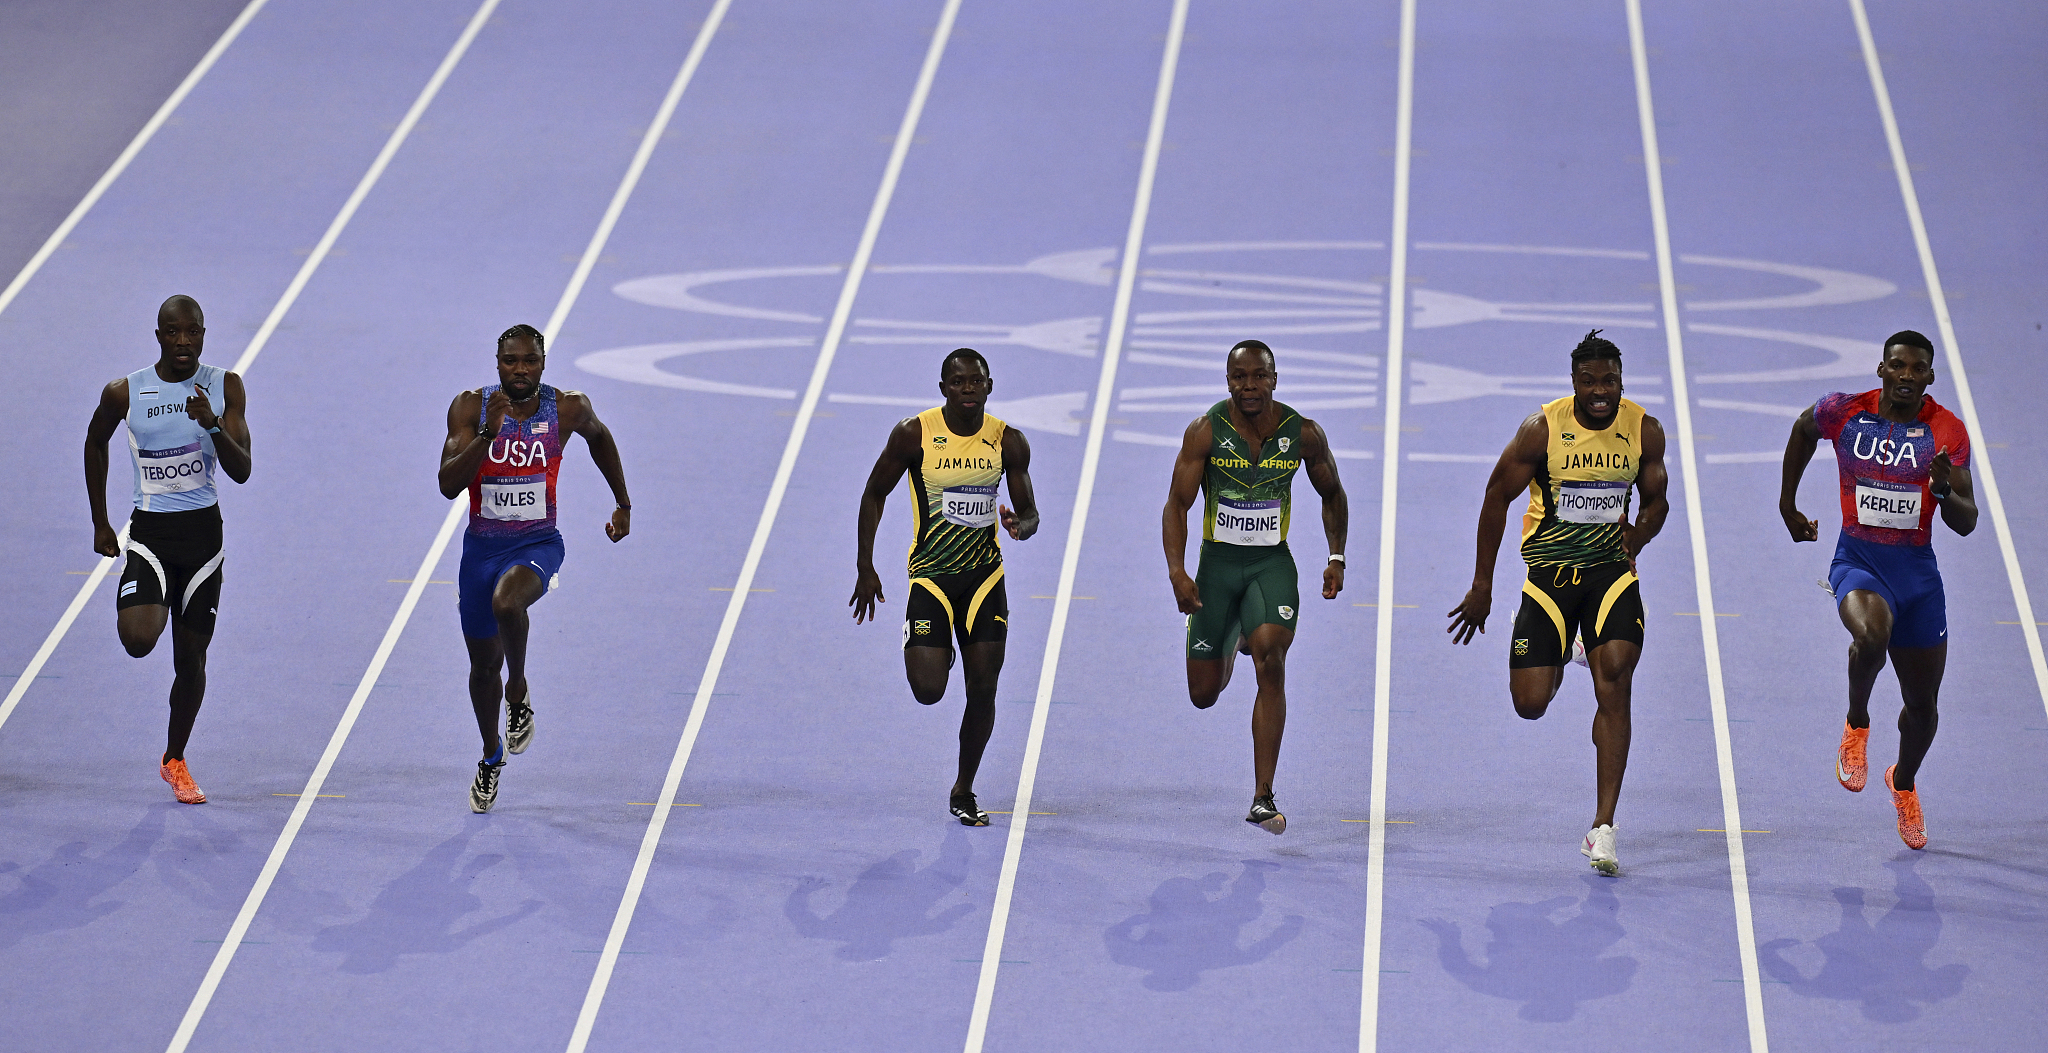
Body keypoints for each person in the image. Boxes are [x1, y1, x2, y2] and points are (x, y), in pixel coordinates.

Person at [1446, 330, 1668, 874]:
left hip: (1611, 576)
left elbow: (1657, 502)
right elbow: (1496, 499)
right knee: (1530, 704)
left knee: (1614, 678)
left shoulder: (1644, 431)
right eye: (1589, 382)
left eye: (1609, 382)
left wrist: (1636, 538)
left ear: (1622, 382)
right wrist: (1482, 585)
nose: (1599, 392)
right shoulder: (1542, 430)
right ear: (1573, 383)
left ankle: (1603, 826)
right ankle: (1565, 650)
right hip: (1548, 579)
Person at [1778, 330, 1975, 850]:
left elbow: (1967, 521)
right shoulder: (1843, 412)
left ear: (1930, 377)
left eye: (1918, 369)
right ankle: (1856, 724)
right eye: (1898, 366)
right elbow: (1802, 431)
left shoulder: (1946, 431)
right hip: (1858, 561)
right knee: (1872, 636)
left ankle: (1903, 782)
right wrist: (1787, 504)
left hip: (1918, 578)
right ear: (1882, 369)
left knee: (1924, 708)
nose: (1907, 375)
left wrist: (1941, 490)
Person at [438, 324, 631, 813]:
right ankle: (490, 754)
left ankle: (518, 691)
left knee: (509, 600)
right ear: (497, 363)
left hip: (538, 542)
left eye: (529, 361)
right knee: (483, 668)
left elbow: (601, 439)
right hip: (480, 551)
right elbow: (446, 484)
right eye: (510, 362)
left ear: (543, 363)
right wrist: (487, 436)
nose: (519, 370)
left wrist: (622, 503)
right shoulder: (470, 408)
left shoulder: (567, 408)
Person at [1162, 339, 1348, 835]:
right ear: (1228, 382)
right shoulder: (1205, 432)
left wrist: (1336, 556)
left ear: (1274, 379)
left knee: (1272, 658)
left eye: (1258, 376)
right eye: (1239, 377)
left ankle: (1263, 795)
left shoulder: (1302, 433)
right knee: (1204, 694)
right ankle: (1235, 636)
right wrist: (1178, 572)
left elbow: (1332, 493)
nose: (1249, 386)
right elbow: (1177, 504)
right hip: (1217, 566)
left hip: (1271, 563)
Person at [851, 348, 1039, 826]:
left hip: (984, 579)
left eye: (976, 382)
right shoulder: (914, 435)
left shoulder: (1007, 441)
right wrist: (865, 568)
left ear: (989, 386)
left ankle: (964, 788)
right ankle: (939, 645)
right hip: (932, 578)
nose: (968, 390)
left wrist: (1023, 524)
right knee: (929, 690)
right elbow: (874, 494)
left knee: (984, 687)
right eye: (958, 383)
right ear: (943, 389)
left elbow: (1030, 511)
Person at [83, 294, 252, 804]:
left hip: (204, 540)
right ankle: (140, 594)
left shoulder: (225, 386)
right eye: (174, 333)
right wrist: (100, 521)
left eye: (193, 332)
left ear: (204, 334)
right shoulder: (125, 392)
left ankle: (175, 759)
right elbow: (94, 442)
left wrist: (213, 425)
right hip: (152, 534)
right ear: (159, 335)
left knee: (192, 660)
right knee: (139, 639)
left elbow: (242, 469)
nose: (184, 342)